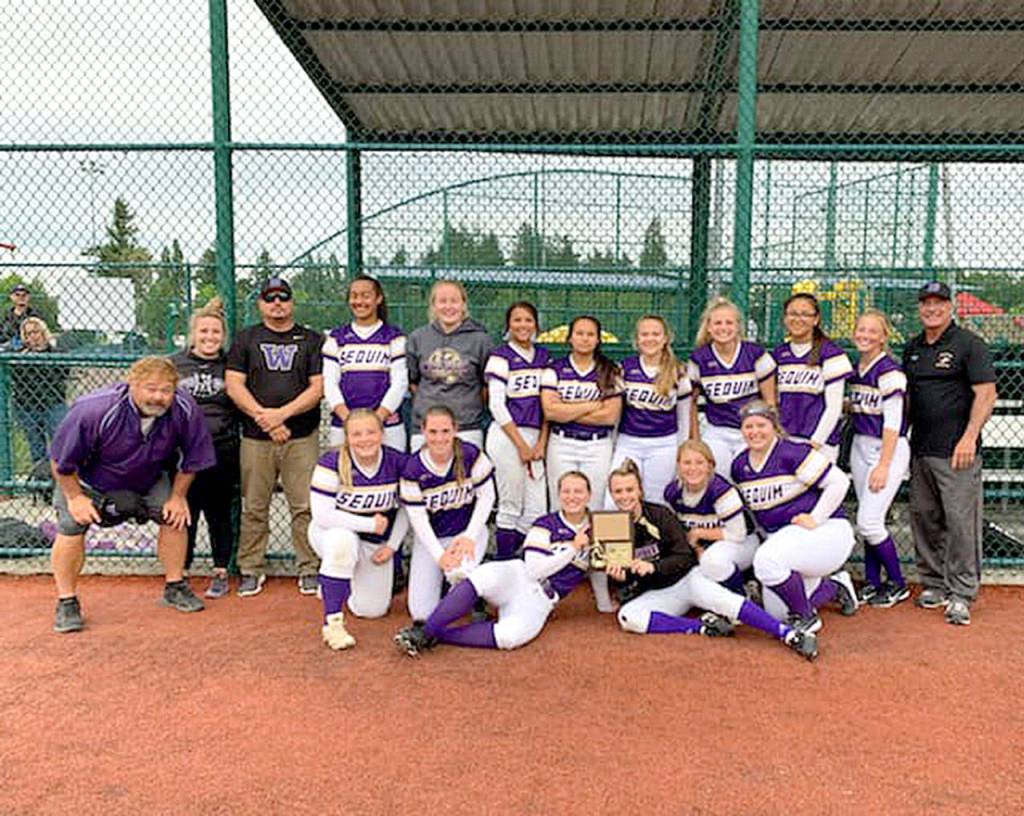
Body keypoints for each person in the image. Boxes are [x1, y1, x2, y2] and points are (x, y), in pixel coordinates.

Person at [48, 356, 215, 633]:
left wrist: (177, 497)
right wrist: (75, 498)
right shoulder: (94, 410)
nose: (158, 397)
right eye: (150, 389)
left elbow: (194, 459)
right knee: (69, 527)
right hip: (89, 481)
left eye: (165, 391)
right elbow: (60, 461)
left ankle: (175, 586)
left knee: (174, 516)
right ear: (132, 385)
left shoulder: (185, 408)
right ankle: (66, 601)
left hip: (147, 476)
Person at [609, 459, 817, 660]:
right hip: (661, 593)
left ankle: (788, 634)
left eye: (629, 489)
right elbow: (624, 577)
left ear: (639, 491)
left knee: (725, 602)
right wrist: (618, 576)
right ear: (611, 494)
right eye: (618, 491)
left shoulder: (659, 515)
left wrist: (653, 567)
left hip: (688, 579)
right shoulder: (610, 526)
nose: (624, 496)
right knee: (629, 617)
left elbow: (684, 556)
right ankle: (703, 626)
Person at [393, 470, 601, 655]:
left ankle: (436, 634)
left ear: (589, 495)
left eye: (578, 492)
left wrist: (606, 602)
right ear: (559, 494)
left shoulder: (599, 529)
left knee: (510, 637)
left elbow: (608, 563)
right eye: (566, 491)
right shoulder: (546, 523)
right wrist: (573, 547)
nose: (572, 497)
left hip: (542, 598)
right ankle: (422, 632)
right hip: (518, 576)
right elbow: (534, 569)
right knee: (481, 576)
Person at [903, 281, 997, 626]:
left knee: (960, 522)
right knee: (924, 516)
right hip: (921, 448)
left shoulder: (969, 344)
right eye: (926, 303)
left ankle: (961, 592)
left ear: (950, 306)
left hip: (957, 450)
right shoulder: (913, 347)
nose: (932, 309)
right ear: (920, 308)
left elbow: (986, 394)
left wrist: (969, 437)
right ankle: (934, 583)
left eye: (938, 303)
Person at [225, 276, 324, 597]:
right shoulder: (246, 339)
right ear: (260, 304)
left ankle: (309, 567)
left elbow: (318, 387)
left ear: (292, 301)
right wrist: (265, 418)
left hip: (301, 436)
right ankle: (252, 568)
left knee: (305, 506)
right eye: (270, 298)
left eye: (283, 297)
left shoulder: (310, 339)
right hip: (256, 436)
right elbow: (234, 385)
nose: (277, 303)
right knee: (254, 506)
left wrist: (281, 415)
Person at [731, 400, 857, 634]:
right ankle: (834, 586)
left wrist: (816, 518)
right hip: (789, 540)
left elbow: (840, 482)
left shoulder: (792, 452)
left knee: (766, 561)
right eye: (749, 426)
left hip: (825, 531)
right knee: (777, 613)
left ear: (774, 426)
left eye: (761, 425)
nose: (755, 432)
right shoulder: (739, 465)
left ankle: (807, 617)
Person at [308, 409, 409, 650]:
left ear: (382, 434)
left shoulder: (397, 461)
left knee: (371, 610)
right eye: (356, 434)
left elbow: (408, 508)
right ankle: (332, 623)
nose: (365, 439)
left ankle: (337, 580)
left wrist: (392, 546)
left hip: (374, 543)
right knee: (342, 544)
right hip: (329, 532)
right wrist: (369, 524)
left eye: (371, 432)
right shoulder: (331, 462)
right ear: (346, 437)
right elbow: (322, 515)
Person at [399, 405, 496, 624]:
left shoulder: (470, 454)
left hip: (466, 534)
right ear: (423, 431)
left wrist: (469, 536)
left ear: (455, 430)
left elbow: (487, 497)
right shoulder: (413, 468)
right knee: (421, 614)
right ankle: (448, 585)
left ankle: (476, 592)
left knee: (459, 573)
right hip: (432, 539)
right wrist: (439, 556)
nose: (439, 438)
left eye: (445, 431)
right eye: (433, 432)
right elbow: (418, 520)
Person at [171, 297, 240, 599]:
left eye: (216, 333)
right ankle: (180, 571)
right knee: (185, 511)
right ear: (193, 334)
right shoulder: (176, 363)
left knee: (219, 513)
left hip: (221, 449)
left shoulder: (231, 365)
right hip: (183, 452)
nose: (210, 338)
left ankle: (221, 570)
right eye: (204, 332)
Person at [847, 309, 911, 608]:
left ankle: (897, 583)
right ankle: (873, 582)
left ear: (884, 337)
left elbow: (893, 422)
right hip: (860, 444)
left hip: (887, 448)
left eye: (873, 331)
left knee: (869, 522)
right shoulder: (858, 367)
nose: (865, 335)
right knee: (868, 519)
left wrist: (884, 465)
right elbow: (860, 405)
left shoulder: (889, 371)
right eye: (861, 330)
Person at [484, 301, 550, 560]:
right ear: (508, 325)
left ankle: (520, 563)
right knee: (511, 505)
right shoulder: (501, 356)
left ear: (536, 325)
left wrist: (541, 443)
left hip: (536, 437)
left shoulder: (544, 356)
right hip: (507, 436)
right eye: (517, 320)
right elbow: (496, 405)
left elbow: (549, 405)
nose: (523, 325)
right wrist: (521, 445)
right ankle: (504, 564)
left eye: (528, 320)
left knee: (536, 509)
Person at [608, 315, 691, 507]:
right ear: (636, 340)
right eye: (644, 334)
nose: (650, 339)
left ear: (665, 338)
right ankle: (614, 537)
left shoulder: (678, 371)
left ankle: (653, 538)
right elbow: (616, 413)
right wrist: (614, 445)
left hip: (664, 444)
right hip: (629, 442)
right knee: (615, 498)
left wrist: (682, 450)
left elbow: (684, 418)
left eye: (656, 334)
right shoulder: (625, 369)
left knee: (656, 501)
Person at [541, 314, 623, 512]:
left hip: (597, 445)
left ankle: (590, 543)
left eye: (590, 334)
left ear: (598, 339)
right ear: (570, 338)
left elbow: (609, 416)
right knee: (560, 499)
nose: (585, 338)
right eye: (579, 333)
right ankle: (561, 542)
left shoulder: (610, 370)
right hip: (561, 443)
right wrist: (592, 405)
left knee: (595, 502)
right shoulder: (555, 369)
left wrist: (567, 408)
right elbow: (550, 412)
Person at [687, 297, 776, 477]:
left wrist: (771, 433)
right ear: (709, 328)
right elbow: (692, 403)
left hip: (752, 430)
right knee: (719, 479)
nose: (723, 328)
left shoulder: (755, 353)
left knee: (751, 479)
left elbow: (770, 401)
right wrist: (696, 440)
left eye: (729, 322)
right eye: (717, 323)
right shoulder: (699, 358)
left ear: (737, 327)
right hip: (717, 430)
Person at [663, 440, 760, 598]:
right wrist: (697, 548)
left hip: (741, 543)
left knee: (712, 561)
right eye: (687, 463)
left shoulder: (720, 491)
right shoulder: (673, 492)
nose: (693, 468)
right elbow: (681, 531)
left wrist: (699, 533)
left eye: (699, 462)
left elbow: (738, 534)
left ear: (710, 465)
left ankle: (742, 594)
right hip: (704, 547)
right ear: (678, 466)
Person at [322, 275, 408, 452]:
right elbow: (329, 383)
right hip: (344, 424)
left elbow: (400, 384)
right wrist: (348, 419)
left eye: (365, 295)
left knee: (390, 474)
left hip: (387, 425)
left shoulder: (394, 337)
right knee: (345, 476)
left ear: (378, 299)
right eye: (354, 296)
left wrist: (377, 418)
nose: (359, 301)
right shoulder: (336, 338)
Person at [406, 279, 493, 451]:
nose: (448, 306)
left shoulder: (480, 340)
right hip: (425, 426)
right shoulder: (417, 338)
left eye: (454, 301)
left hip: (466, 426)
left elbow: (486, 386)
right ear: (433, 305)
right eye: (442, 301)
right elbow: (413, 382)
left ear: (463, 304)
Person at [772, 292, 853, 461]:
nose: (798, 319)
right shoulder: (779, 354)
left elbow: (834, 408)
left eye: (805, 314)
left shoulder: (831, 353)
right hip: (786, 438)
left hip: (820, 443)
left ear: (816, 320)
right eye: (792, 313)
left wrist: (815, 443)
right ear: (785, 318)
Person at [9, 317, 67, 463]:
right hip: (28, 406)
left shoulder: (56, 352)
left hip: (53, 402)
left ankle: (62, 474)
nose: (32, 337)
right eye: (28, 334)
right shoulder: (21, 355)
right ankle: (41, 477)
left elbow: (63, 373)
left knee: (60, 439)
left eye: (35, 332)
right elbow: (17, 378)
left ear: (43, 333)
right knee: (36, 445)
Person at [0, 283, 40, 348]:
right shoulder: (5, 316)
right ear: (12, 297)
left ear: (28, 297)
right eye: (17, 295)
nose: (21, 297)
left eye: (24, 295)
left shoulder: (35, 316)